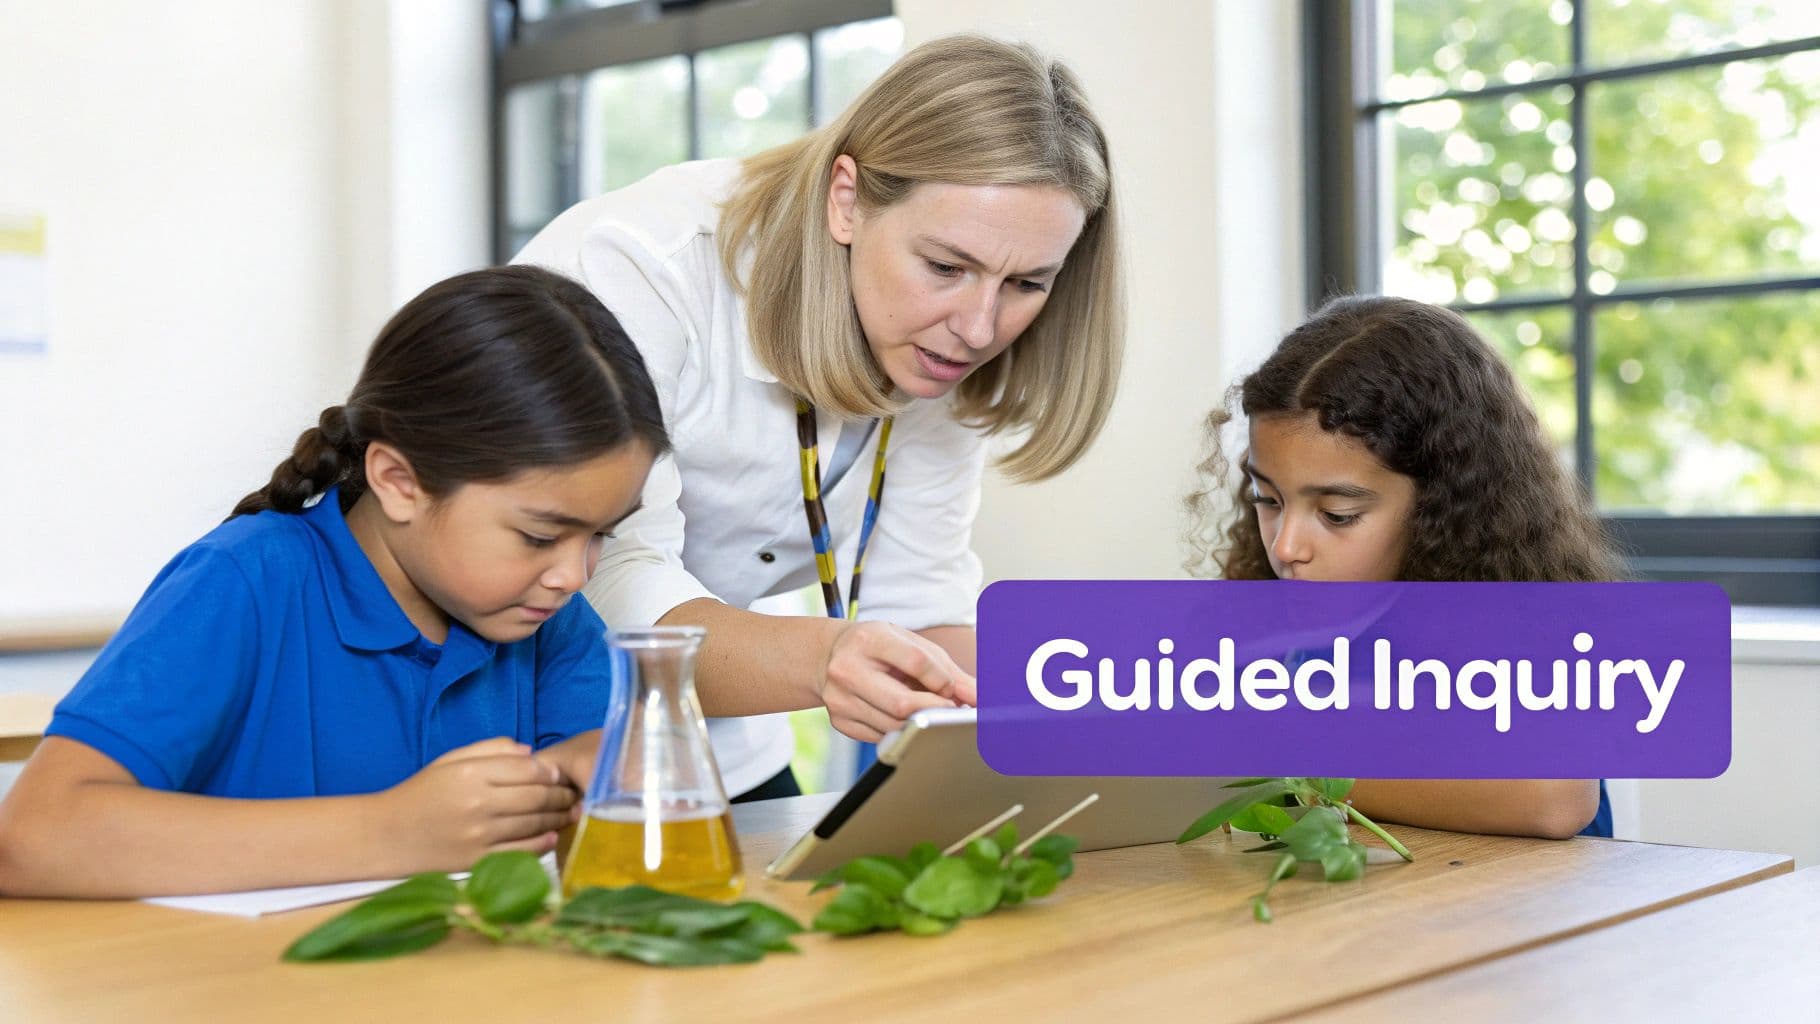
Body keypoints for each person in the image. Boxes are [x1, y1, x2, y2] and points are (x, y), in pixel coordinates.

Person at [516, 34, 1126, 800]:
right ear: (847, 200)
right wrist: (825, 658)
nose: (979, 327)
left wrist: (1098, 710)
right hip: (520, 721)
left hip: (718, 732)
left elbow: (921, 604)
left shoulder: (944, 341)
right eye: (945, 266)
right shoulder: (635, 268)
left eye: (1027, 283)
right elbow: (611, 582)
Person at [0, 266, 668, 897]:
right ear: (398, 482)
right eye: (541, 537)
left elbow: (583, 808)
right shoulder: (243, 582)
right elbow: (31, 838)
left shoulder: (553, 620)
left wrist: (592, 774)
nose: (573, 575)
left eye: (602, 535)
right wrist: (391, 832)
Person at [1185, 295, 1618, 839]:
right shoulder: (1305, 629)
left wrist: (1275, 757)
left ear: (1441, 508)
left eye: (1337, 515)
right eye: (1268, 500)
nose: (1287, 546)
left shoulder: (1519, 622)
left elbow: (1553, 797)